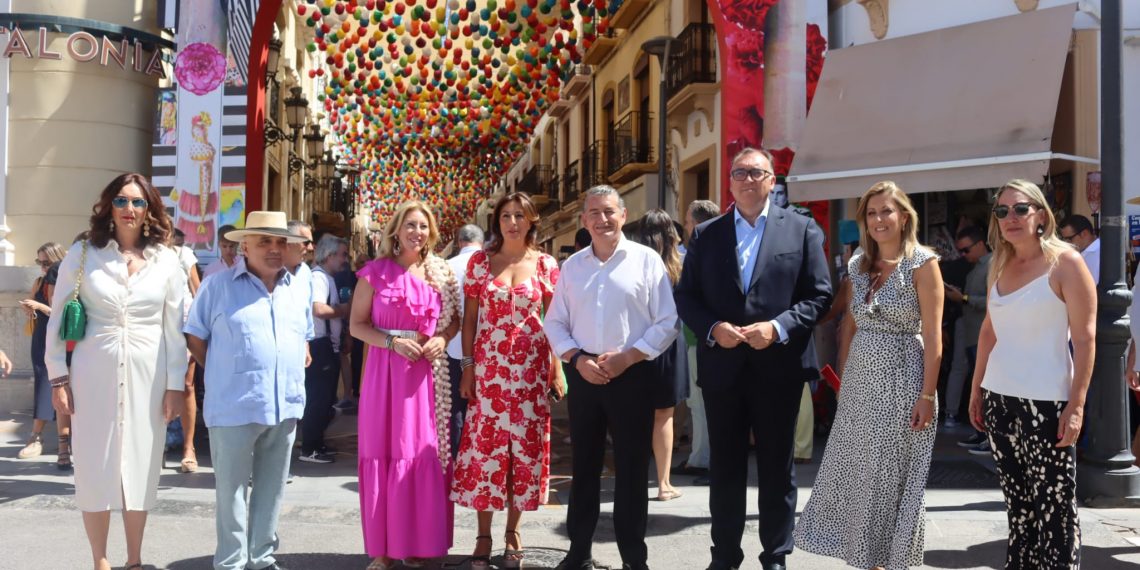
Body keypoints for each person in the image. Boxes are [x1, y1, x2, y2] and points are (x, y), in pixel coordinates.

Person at [674, 147, 832, 570]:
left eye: (756, 172)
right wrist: (712, 329)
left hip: (777, 368)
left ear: (771, 180)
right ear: (729, 182)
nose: (747, 179)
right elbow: (686, 296)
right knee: (725, 470)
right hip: (723, 370)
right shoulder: (707, 234)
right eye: (739, 172)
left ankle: (775, 556)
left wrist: (777, 328)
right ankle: (724, 556)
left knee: (777, 470)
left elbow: (820, 294)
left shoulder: (801, 230)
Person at [794, 181, 944, 569]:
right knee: (860, 473)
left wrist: (926, 396)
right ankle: (865, 558)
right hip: (860, 384)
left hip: (902, 379)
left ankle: (889, 560)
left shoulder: (923, 264)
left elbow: (933, 336)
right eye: (872, 213)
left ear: (904, 216)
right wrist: (843, 383)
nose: (879, 219)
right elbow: (847, 327)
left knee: (891, 476)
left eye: (886, 211)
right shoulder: (859, 264)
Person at [45, 172, 187, 570]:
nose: (129, 209)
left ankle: (135, 559)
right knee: (93, 462)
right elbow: (58, 320)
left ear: (149, 210)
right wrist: (58, 377)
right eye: (122, 201)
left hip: (150, 372)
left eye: (138, 202)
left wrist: (176, 384)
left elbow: (174, 327)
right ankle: (100, 560)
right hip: (94, 370)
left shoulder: (167, 259)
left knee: (141, 461)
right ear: (109, 205)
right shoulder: (84, 253)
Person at [544, 185, 679, 570]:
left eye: (609, 212)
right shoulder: (572, 268)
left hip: (632, 376)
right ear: (584, 220)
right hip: (585, 378)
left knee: (633, 471)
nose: (602, 220)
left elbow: (666, 321)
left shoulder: (646, 261)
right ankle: (579, 551)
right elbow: (554, 323)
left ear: (622, 215)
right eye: (594, 213)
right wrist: (576, 358)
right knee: (584, 467)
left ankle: (634, 558)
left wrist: (629, 357)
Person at [967, 180, 1094, 569]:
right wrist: (976, 390)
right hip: (1000, 398)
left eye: (1020, 209)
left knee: (1054, 507)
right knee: (1019, 507)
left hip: (1047, 402)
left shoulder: (1066, 262)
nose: (1010, 218)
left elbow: (1087, 339)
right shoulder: (999, 263)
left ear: (1041, 214)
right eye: (1001, 211)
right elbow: (990, 330)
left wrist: (1076, 405)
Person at [184, 211, 313, 570]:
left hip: (284, 405)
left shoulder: (298, 288)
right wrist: (222, 370)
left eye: (280, 242)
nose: (274, 249)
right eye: (264, 242)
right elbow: (194, 335)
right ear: (244, 246)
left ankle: (261, 558)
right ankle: (230, 562)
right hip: (234, 405)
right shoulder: (217, 286)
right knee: (232, 491)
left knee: (272, 490)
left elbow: (303, 339)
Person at [451, 193, 561, 568]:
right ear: (496, 221)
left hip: (531, 373)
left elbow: (555, 320)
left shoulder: (546, 264)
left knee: (523, 454)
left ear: (531, 220)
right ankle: (483, 535)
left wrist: (557, 367)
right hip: (489, 372)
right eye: (506, 216)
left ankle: (513, 531)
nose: (512, 222)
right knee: (486, 453)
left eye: (520, 215)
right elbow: (468, 321)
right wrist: (467, 367)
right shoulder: (481, 263)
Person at [350, 201, 460, 570]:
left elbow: (454, 322)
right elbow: (356, 325)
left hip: (425, 378)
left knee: (421, 455)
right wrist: (392, 343)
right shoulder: (374, 273)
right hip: (385, 374)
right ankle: (383, 551)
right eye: (410, 225)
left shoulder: (439, 275)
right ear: (395, 231)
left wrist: (443, 340)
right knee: (384, 453)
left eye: (424, 226)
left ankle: (415, 544)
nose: (417, 232)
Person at [629, 208, 689, 502]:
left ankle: (637, 480)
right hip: (670, 343)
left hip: (638, 343)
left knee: (636, 414)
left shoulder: (634, 262)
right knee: (664, 416)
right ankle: (664, 483)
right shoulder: (681, 262)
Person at [672, 200, 719, 486]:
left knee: (701, 404)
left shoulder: (700, 255)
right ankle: (701, 457)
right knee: (700, 403)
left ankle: (704, 459)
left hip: (700, 338)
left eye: (688, 222)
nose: (686, 227)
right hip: (702, 337)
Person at [17, 242, 71, 470]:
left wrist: (38, 305)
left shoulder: (63, 278)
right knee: (41, 383)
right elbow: (38, 309)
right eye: (39, 262)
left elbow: (59, 312)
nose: (42, 266)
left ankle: (62, 444)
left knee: (64, 386)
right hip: (42, 336)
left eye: (46, 262)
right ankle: (36, 437)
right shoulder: (40, 282)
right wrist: (30, 308)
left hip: (61, 337)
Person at [299, 234, 351, 464]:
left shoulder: (326, 277)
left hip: (327, 345)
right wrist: (343, 310)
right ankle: (309, 447)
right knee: (318, 399)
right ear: (329, 256)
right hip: (320, 346)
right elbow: (318, 309)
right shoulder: (319, 278)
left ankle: (316, 443)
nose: (345, 260)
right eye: (342, 255)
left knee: (325, 398)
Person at [944, 226, 991, 441]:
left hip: (983, 335)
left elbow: (992, 302)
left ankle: (986, 435)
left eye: (966, 250)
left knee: (985, 386)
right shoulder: (976, 267)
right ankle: (981, 432)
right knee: (977, 384)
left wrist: (962, 298)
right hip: (973, 334)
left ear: (980, 244)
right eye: (960, 251)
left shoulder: (991, 265)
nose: (963, 255)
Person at [445, 223, 485, 458]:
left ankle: (458, 459)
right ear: (482, 242)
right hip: (487, 348)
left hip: (452, 347)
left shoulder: (446, 267)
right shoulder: (491, 265)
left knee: (456, 409)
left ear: (459, 242)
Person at [171, 228, 203, 473]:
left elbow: (197, 292)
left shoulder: (184, 254)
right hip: (153, 328)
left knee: (186, 385)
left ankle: (188, 448)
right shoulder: (145, 255)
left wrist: (198, 331)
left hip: (183, 326)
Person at [1059, 214, 1100, 284]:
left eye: (1069, 239)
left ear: (1084, 233)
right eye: (1064, 239)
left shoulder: (1100, 253)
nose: (1066, 243)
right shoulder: (1082, 252)